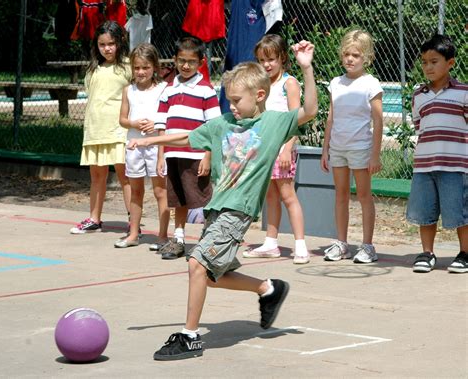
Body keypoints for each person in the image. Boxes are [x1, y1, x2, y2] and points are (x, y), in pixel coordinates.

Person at [128, 39, 318, 360]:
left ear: (259, 96)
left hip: (238, 211)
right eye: (228, 100)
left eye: (235, 100)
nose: (231, 106)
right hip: (216, 209)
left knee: (197, 263)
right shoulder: (223, 124)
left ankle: (190, 337)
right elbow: (188, 135)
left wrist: (306, 66)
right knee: (214, 276)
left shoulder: (272, 123)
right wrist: (151, 141)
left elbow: (310, 109)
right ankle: (268, 289)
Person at [243, 34, 310, 264]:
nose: (267, 65)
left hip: (282, 149)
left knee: (288, 195)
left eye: (271, 59)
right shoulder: (261, 85)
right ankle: (271, 243)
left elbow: (295, 119)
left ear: (282, 58)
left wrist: (287, 149)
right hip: (263, 150)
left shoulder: (289, 83)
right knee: (270, 197)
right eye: (262, 60)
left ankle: (300, 245)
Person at [153, 36, 221, 259]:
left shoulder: (206, 90)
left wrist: (207, 156)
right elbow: (161, 125)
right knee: (178, 199)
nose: (185, 65)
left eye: (191, 61)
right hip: (173, 155)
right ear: (175, 59)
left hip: (195, 155)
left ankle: (211, 239)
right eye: (181, 60)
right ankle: (179, 238)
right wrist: (161, 156)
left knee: (203, 198)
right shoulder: (168, 89)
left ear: (201, 62)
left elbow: (213, 127)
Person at [320, 29, 383, 263]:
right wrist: (325, 149)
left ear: (366, 57)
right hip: (338, 148)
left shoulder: (371, 83)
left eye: (356, 55)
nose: (350, 59)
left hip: (361, 148)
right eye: (346, 54)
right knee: (341, 195)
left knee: (364, 196)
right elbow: (331, 118)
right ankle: (341, 244)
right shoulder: (336, 83)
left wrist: (375, 155)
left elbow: (378, 120)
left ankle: (367, 246)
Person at [406, 34, 467, 273]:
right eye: (424, 62)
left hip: (456, 166)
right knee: (424, 211)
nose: (428, 67)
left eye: (434, 61)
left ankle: (464, 253)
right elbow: (421, 127)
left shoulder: (463, 92)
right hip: (424, 166)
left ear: (450, 63)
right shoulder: (418, 95)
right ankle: (427, 253)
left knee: (460, 212)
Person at [70, 20, 132, 234]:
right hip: (95, 129)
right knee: (97, 176)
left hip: (119, 130)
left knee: (126, 176)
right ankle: (94, 218)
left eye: (111, 43)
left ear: (120, 42)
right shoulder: (93, 68)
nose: (107, 48)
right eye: (102, 44)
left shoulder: (128, 66)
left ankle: (134, 221)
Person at [113, 43, 170, 248]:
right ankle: (134, 234)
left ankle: (163, 236)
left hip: (156, 146)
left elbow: (169, 117)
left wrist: (156, 123)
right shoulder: (129, 90)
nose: (141, 72)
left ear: (154, 66)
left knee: (160, 191)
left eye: (145, 67)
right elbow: (122, 119)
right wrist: (133, 123)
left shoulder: (164, 89)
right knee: (136, 191)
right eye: (137, 67)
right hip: (134, 145)